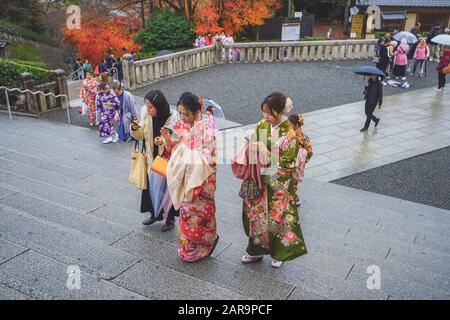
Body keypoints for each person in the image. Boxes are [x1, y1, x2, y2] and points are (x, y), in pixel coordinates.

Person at [239, 92, 307, 268]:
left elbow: (287, 162)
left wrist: (263, 150)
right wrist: (251, 147)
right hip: (260, 179)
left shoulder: (290, 133)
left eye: (270, 113)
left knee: (278, 218)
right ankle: (256, 251)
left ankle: (280, 252)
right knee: (257, 216)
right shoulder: (262, 125)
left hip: (279, 182)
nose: (266, 117)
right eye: (264, 112)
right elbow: (254, 146)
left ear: (280, 111)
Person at [165, 92, 219, 262]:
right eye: (180, 113)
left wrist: (184, 149)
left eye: (186, 114)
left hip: (203, 178)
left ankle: (207, 243)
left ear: (197, 112)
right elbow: (174, 147)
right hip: (185, 176)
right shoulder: (181, 124)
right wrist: (167, 140)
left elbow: (209, 155)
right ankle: (188, 247)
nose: (182, 117)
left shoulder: (208, 127)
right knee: (186, 212)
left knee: (203, 214)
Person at [130, 90, 179, 231]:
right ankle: (155, 214)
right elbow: (140, 135)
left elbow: (175, 139)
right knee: (153, 187)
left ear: (159, 106)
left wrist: (162, 141)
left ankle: (169, 219)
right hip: (152, 158)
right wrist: (134, 128)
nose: (147, 109)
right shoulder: (147, 116)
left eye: (150, 106)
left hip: (167, 159)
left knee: (167, 189)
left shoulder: (172, 117)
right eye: (146, 105)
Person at [288, 114, 313, 207]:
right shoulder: (305, 138)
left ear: (297, 125)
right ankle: (293, 197)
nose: (289, 126)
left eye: (290, 124)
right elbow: (310, 152)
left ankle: (292, 198)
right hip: (297, 163)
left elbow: (310, 151)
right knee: (293, 181)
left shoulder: (291, 136)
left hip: (291, 162)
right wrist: (304, 161)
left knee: (292, 181)